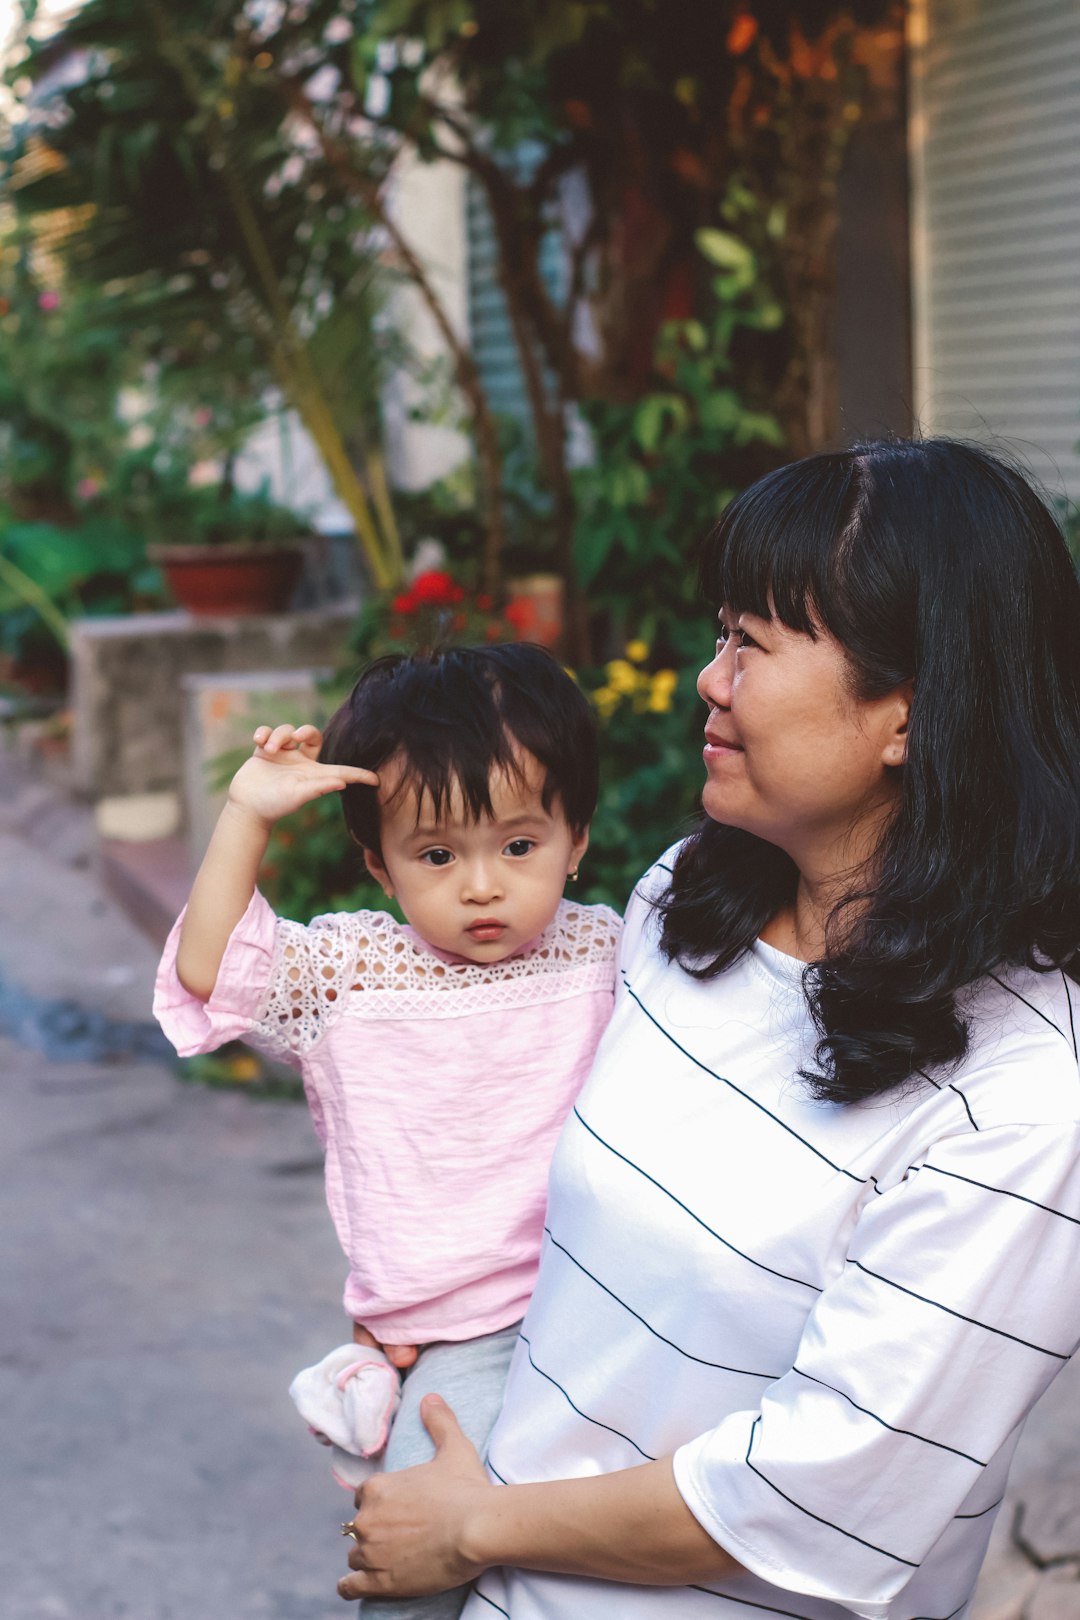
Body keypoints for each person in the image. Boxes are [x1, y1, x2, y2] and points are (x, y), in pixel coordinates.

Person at [336, 438, 1080, 1620]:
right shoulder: (686, 904)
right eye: (719, 630)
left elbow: (815, 1500)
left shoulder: (1020, 1101)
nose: (707, 678)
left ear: (909, 710)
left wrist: (472, 1526)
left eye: (754, 642)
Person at [153, 643, 622, 1620]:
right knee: (414, 1564)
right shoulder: (354, 975)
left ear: (576, 838)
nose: (482, 886)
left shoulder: (612, 950)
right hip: (463, 1341)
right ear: (379, 862)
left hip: (614, 1306)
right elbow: (210, 967)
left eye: (519, 846)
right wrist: (246, 813)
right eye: (438, 854)